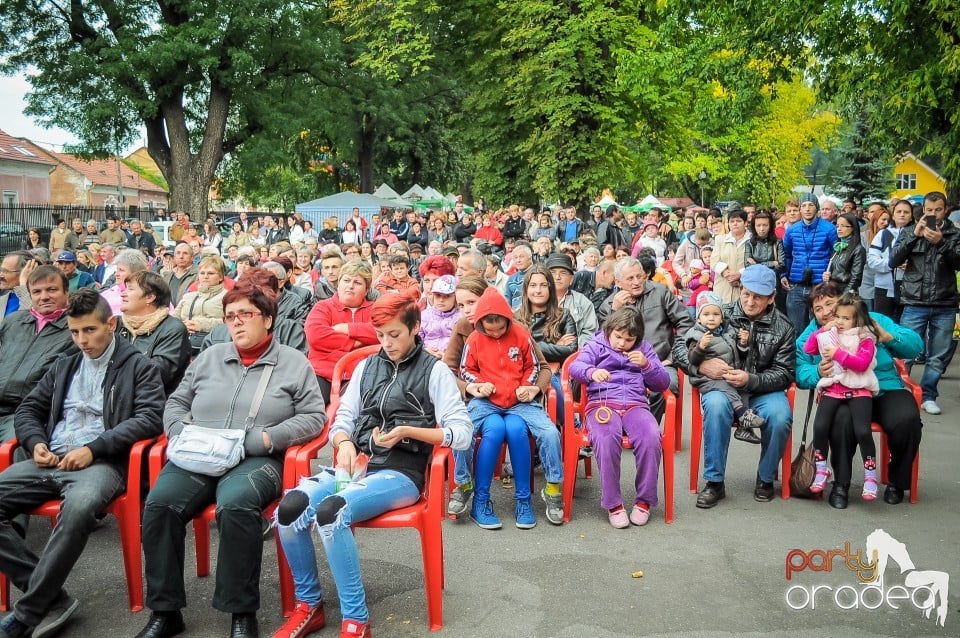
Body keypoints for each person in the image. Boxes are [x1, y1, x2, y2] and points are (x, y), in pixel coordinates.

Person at [272, 288, 471, 638]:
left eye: (394, 334)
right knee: (289, 509)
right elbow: (342, 419)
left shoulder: (434, 371)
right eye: (380, 335)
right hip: (358, 467)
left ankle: (356, 619)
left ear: (414, 328)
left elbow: (462, 433)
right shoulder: (367, 365)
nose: (387, 343)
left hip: (401, 473)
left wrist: (411, 431)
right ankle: (309, 605)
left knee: (331, 512)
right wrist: (344, 442)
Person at [138, 282, 326, 638]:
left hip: (256, 457)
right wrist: (179, 432)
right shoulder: (210, 357)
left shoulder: (293, 362)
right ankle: (165, 611)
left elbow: (314, 417)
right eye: (229, 316)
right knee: (159, 505)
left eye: (246, 315)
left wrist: (267, 438)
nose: (236, 323)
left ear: (268, 319)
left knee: (236, 504)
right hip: (199, 452)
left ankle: (241, 611)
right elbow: (176, 402)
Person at [0, 289, 165, 638]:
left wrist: (94, 448)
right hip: (52, 458)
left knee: (76, 510)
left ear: (111, 323)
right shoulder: (65, 364)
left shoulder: (138, 366)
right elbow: (29, 409)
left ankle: (28, 612)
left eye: (89, 330)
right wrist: (36, 443)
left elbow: (150, 418)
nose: (81, 340)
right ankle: (51, 597)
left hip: (102, 464)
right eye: (75, 332)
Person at [673, 264, 795, 508]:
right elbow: (680, 347)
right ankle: (714, 482)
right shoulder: (719, 312)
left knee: (780, 416)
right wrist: (702, 366)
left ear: (772, 298)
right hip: (721, 386)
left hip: (761, 390)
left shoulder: (784, 327)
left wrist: (751, 379)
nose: (750, 302)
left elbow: (785, 373)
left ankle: (766, 477)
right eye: (746, 294)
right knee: (716, 407)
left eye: (758, 297)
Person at [796, 283, 923, 507]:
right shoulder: (814, 334)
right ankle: (841, 483)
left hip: (884, 386)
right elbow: (799, 369)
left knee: (907, 419)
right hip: (842, 391)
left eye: (830, 304)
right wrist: (816, 372)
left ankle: (897, 480)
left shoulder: (871, 320)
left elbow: (916, 347)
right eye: (818, 308)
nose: (825, 312)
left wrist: (890, 337)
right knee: (841, 422)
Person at [461, 287, 564, 528]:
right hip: (486, 402)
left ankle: (551, 489)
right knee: (461, 431)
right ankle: (464, 484)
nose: (495, 333)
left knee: (550, 433)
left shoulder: (521, 334)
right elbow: (466, 369)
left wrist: (529, 386)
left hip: (520, 402)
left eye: (500, 328)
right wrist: (477, 385)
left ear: (508, 320)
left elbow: (535, 366)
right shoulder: (474, 338)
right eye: (489, 330)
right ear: (480, 324)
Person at [568, 308, 669, 528]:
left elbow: (662, 383)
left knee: (651, 437)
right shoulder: (596, 344)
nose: (622, 343)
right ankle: (613, 503)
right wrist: (591, 372)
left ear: (638, 338)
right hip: (602, 404)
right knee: (605, 438)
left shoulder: (644, 349)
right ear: (609, 330)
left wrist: (647, 365)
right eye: (618, 336)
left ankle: (644, 501)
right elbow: (575, 367)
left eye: (629, 339)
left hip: (636, 405)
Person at [887, 191, 960, 415]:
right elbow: (893, 260)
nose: (933, 214)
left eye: (938, 210)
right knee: (905, 349)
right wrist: (913, 237)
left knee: (937, 354)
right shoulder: (910, 230)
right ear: (923, 209)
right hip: (914, 300)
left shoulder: (954, 234)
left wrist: (942, 243)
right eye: (929, 210)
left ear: (945, 210)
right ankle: (899, 392)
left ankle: (929, 395)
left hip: (945, 302)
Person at [802, 292, 880, 499]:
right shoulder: (831, 333)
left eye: (846, 318)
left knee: (862, 431)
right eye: (838, 317)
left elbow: (862, 364)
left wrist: (837, 353)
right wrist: (821, 330)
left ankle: (870, 476)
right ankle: (821, 469)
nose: (840, 321)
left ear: (857, 319)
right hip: (833, 388)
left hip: (859, 389)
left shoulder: (866, 339)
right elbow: (809, 349)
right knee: (819, 427)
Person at [598, 256, 693, 421]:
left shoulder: (660, 292)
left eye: (639, 276)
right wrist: (615, 311)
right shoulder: (609, 304)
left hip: (659, 361)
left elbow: (686, 323)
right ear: (618, 282)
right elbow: (601, 341)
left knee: (666, 384)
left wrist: (672, 357)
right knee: (602, 386)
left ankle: (645, 431)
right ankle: (626, 428)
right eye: (630, 278)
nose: (636, 282)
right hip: (620, 365)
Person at [0, 265, 78, 440]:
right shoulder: (14, 321)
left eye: (52, 290)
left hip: (28, 413)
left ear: (66, 292)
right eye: (36, 292)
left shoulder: (76, 329)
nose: (44, 297)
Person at [683, 292, 766, 444]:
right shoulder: (696, 335)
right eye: (706, 314)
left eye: (716, 314)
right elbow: (693, 360)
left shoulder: (728, 332)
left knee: (744, 389)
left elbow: (740, 354)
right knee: (727, 387)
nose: (711, 318)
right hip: (708, 379)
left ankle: (744, 428)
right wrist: (701, 347)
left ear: (721, 317)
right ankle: (742, 413)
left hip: (729, 374)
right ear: (698, 318)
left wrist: (742, 343)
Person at [304, 260, 379, 403]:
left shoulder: (376, 309)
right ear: (338, 284)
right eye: (346, 280)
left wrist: (346, 328)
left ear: (367, 289)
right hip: (322, 372)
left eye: (357, 283)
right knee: (311, 407)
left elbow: (381, 331)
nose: (350, 286)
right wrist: (358, 342)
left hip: (363, 374)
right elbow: (316, 336)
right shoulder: (323, 307)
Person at [116, 271, 191, 396]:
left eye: (130, 289)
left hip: (153, 404)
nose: (123, 294)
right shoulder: (117, 325)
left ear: (150, 297)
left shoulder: (173, 329)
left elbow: (157, 374)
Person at [780, 193, 838, 329]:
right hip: (796, 285)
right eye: (804, 205)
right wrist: (783, 275)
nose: (807, 209)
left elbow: (836, 255)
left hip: (819, 285)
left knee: (821, 327)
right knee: (795, 327)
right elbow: (787, 255)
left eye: (811, 205)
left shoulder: (829, 229)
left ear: (816, 208)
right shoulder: (791, 231)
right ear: (800, 209)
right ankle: (799, 351)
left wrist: (831, 276)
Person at [172, 255, 227, 354]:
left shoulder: (228, 297)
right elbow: (173, 320)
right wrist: (183, 326)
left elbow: (229, 323)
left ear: (221, 277)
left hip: (215, 348)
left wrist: (202, 325)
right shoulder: (188, 296)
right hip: (185, 347)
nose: (205, 276)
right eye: (202, 273)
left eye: (210, 273)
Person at [868, 200, 911, 320]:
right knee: (882, 327)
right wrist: (891, 264)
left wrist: (911, 266)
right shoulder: (883, 234)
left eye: (906, 212)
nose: (902, 214)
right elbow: (872, 260)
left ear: (911, 215)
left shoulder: (917, 235)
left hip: (910, 290)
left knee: (905, 330)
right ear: (893, 215)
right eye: (899, 211)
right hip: (884, 289)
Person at [710, 209, 751, 303]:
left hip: (743, 287)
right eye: (732, 221)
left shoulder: (753, 241)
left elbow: (756, 263)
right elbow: (714, 261)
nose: (735, 224)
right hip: (723, 287)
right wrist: (726, 273)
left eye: (739, 221)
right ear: (728, 223)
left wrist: (740, 274)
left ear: (745, 223)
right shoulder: (720, 239)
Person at [823, 213, 866, 294]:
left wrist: (844, 297)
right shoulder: (838, 247)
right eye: (837, 226)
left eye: (843, 226)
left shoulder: (858, 249)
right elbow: (835, 270)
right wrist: (828, 276)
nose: (839, 229)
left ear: (853, 228)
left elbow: (856, 279)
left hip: (846, 292)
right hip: (833, 290)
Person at [419, 275, 460, 356]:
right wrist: (423, 350)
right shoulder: (424, 315)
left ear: (455, 298)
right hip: (426, 357)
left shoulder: (460, 317)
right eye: (438, 295)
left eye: (447, 296)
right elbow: (416, 339)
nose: (441, 300)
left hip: (451, 359)